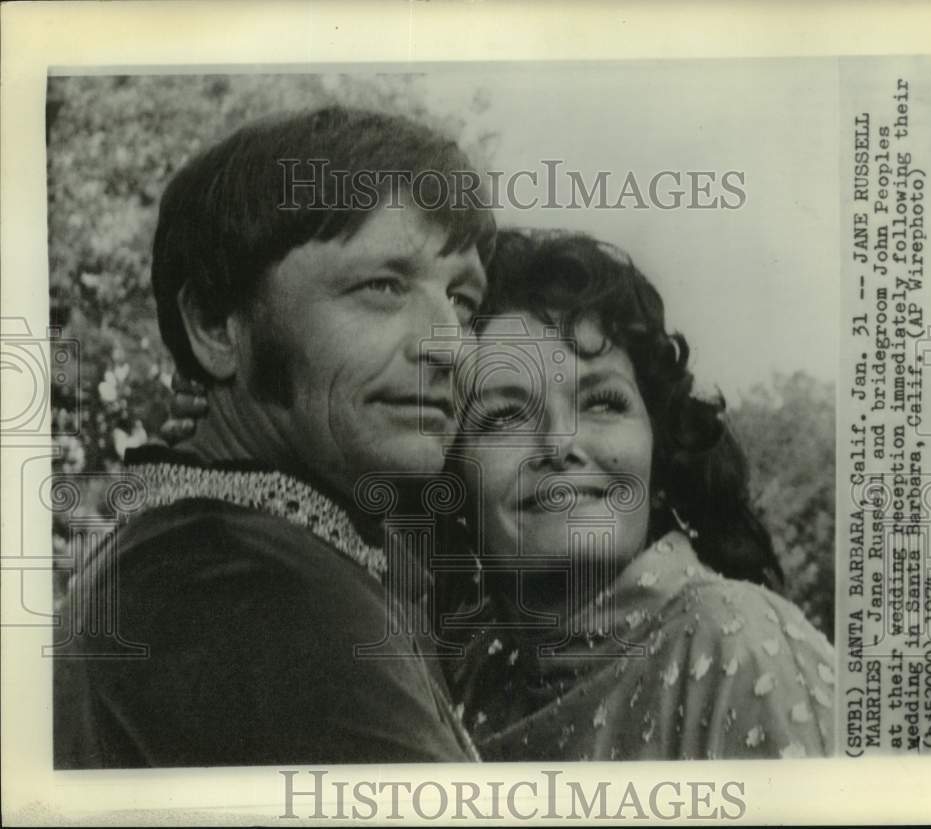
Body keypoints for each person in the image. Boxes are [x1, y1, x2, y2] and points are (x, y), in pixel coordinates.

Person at [53, 105, 496, 767]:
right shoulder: (238, 586)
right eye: (383, 285)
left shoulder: (213, 543)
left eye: (463, 301)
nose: (450, 346)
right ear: (213, 324)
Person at [440, 228, 835, 760]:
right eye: (505, 415)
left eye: (602, 403)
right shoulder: (465, 677)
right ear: (454, 476)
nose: (559, 444)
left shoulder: (737, 645)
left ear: (658, 449)